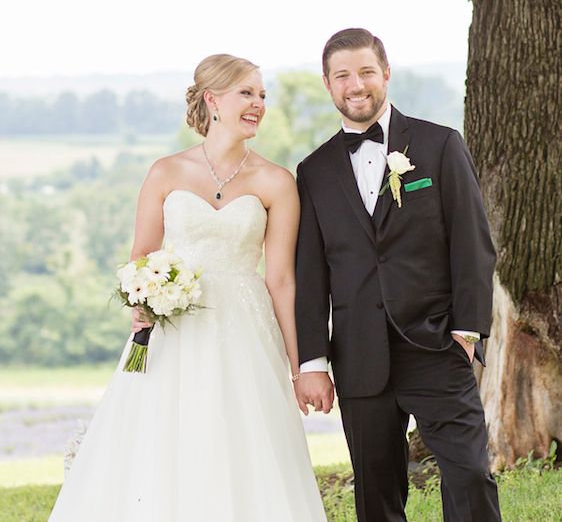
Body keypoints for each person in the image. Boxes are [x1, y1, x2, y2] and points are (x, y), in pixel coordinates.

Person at [49, 54, 327, 522]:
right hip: (173, 333)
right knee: (163, 445)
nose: (258, 103)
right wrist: (141, 302)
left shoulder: (277, 182)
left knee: (244, 445)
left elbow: (281, 280)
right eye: (247, 93)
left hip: (246, 332)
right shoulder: (165, 172)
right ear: (212, 99)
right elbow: (140, 257)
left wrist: (301, 368)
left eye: (262, 95)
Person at [294, 28, 502, 522]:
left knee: (470, 474)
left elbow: (473, 245)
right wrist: (312, 361)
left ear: (385, 73)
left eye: (366, 71)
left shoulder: (439, 144)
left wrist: (467, 332)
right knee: (376, 495)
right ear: (328, 84)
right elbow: (310, 275)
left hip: (437, 346)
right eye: (342, 75)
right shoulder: (314, 171)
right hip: (359, 355)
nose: (356, 84)